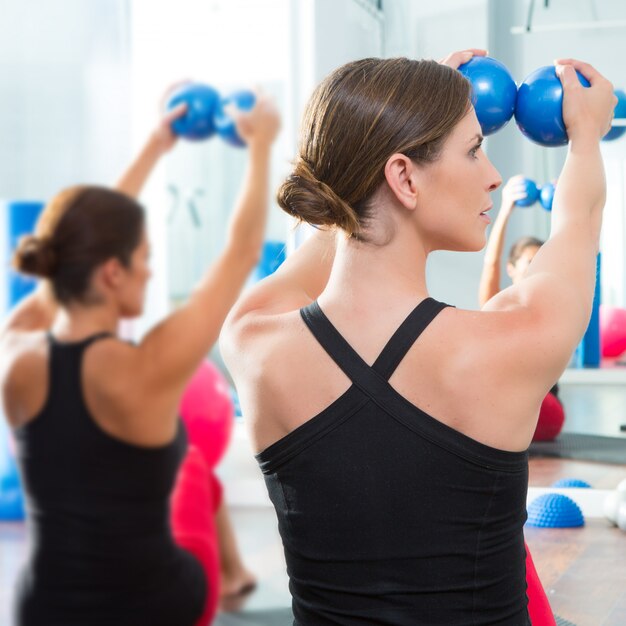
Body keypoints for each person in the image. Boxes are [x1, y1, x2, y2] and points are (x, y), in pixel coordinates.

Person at [221, 49, 615, 625]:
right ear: (404, 176)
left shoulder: (253, 344)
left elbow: (344, 216)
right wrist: (585, 136)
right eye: (475, 149)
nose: (493, 174)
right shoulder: (514, 341)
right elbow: (578, 223)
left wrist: (394, 113)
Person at [2, 91, 280, 626]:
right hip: (152, 607)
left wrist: (155, 147)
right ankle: (237, 577)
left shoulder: (14, 352)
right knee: (192, 473)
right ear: (112, 272)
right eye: (144, 259)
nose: (150, 272)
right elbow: (242, 254)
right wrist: (261, 145)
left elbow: (76, 245)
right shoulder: (147, 368)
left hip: (44, 608)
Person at [479, 176, 565, 442]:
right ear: (511, 269)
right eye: (530, 261)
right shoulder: (498, 307)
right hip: (503, 406)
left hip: (540, 408)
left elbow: (575, 250)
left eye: (541, 262)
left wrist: (564, 206)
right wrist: (505, 210)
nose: (536, 268)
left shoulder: (551, 306)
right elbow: (491, 264)